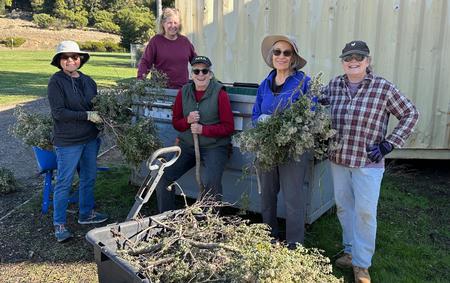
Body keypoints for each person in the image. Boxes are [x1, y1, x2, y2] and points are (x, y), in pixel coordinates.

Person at [321, 40, 419, 283]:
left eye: (359, 57)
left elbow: (410, 113)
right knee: (344, 207)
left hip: (368, 162)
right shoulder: (334, 85)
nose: (353, 61)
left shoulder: (382, 88)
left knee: (365, 212)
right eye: (348, 57)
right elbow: (316, 107)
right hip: (339, 158)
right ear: (342, 61)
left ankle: (362, 264)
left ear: (368, 60)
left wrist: (390, 143)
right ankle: (350, 251)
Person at [251, 35, 311, 248]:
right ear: (271, 56)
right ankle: (270, 237)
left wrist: (289, 128)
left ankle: (295, 245)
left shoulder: (303, 83)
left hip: (293, 149)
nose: (281, 56)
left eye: (287, 52)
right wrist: (261, 122)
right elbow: (255, 114)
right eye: (277, 52)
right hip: (267, 148)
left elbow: (310, 113)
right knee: (267, 195)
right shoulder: (264, 84)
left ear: (293, 57)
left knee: (292, 198)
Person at [155, 55, 234, 213]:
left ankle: (210, 223)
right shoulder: (183, 92)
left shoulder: (220, 93)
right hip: (188, 145)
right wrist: (188, 120)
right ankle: (165, 218)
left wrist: (203, 130)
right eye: (196, 71)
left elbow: (228, 127)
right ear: (191, 75)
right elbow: (176, 123)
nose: (200, 75)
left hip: (215, 146)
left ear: (210, 74)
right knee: (163, 177)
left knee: (211, 181)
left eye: (204, 71)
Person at [48, 41, 108, 242]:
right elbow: (59, 113)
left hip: (90, 138)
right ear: (59, 61)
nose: (70, 60)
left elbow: (96, 104)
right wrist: (87, 116)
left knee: (89, 177)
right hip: (68, 141)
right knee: (64, 182)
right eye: (65, 57)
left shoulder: (89, 81)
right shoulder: (56, 82)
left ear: (80, 59)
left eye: (74, 57)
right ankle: (59, 224)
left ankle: (86, 214)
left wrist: (105, 115)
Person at [137, 7, 196, 89]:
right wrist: (140, 80)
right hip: (160, 90)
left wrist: (205, 76)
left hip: (182, 90)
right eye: (169, 23)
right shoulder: (156, 41)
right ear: (163, 24)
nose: (173, 26)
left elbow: (196, 61)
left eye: (175, 23)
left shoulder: (185, 41)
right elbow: (145, 62)